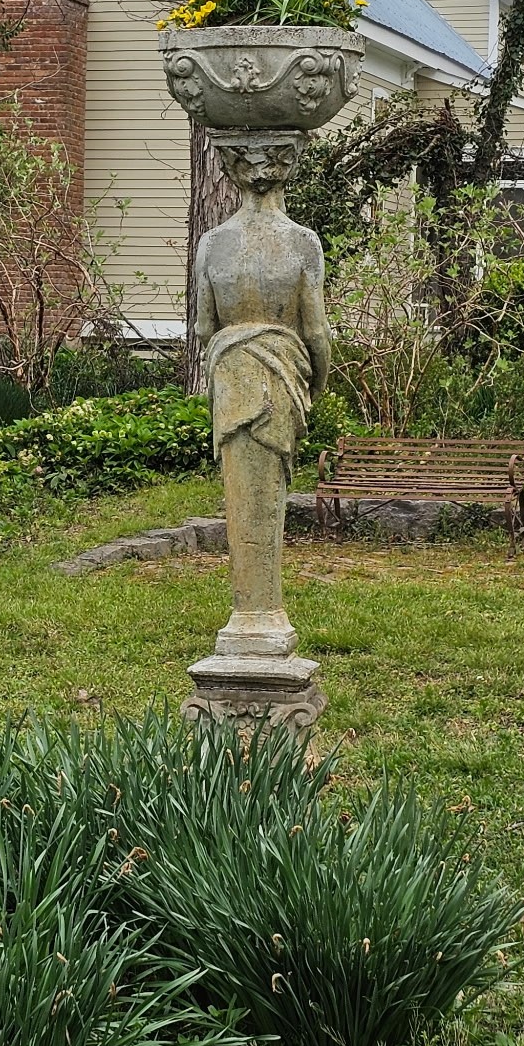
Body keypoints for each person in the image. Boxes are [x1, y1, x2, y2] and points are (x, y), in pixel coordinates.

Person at [192, 129, 329, 659]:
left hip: (232, 376)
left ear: (228, 166)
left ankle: (247, 613)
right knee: (268, 495)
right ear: (289, 164)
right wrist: (314, 381)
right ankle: (262, 614)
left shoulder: (212, 244)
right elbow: (315, 333)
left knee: (240, 494)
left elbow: (205, 327)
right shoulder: (302, 243)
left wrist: (236, 347)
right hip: (282, 378)